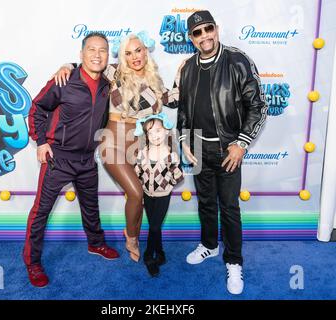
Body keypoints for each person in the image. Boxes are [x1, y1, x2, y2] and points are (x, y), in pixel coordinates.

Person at [54, 32, 179, 262]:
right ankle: (131, 237)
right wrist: (66, 65)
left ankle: (132, 233)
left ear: (146, 51)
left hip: (141, 144)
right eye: (128, 53)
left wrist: (183, 76)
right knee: (136, 192)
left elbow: (171, 99)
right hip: (112, 140)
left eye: (138, 50)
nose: (134, 57)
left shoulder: (155, 79)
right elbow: (88, 65)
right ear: (123, 56)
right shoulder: (114, 72)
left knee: (138, 198)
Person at [177, 10, 268, 294]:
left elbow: (259, 106)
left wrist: (241, 143)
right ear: (191, 38)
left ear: (216, 29)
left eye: (207, 29)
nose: (204, 36)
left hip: (228, 148)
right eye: (197, 32)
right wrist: (184, 140)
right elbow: (183, 110)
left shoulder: (237, 60)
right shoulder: (188, 68)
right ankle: (208, 245)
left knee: (229, 207)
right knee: (206, 202)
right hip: (198, 149)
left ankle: (234, 262)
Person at [23, 32, 119, 288]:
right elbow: (37, 109)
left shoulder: (110, 81)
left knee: (91, 207)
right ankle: (33, 263)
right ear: (81, 54)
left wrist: (72, 63)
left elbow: (133, 68)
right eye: (92, 50)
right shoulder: (63, 80)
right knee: (40, 212)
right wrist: (41, 141)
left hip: (87, 159)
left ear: (108, 56)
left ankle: (96, 244)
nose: (97, 55)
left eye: (103, 50)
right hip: (59, 158)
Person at [134, 113, 184, 277]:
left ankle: (149, 255)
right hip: (147, 195)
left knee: (154, 226)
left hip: (163, 196)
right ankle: (161, 253)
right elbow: (138, 173)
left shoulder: (171, 156)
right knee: (155, 225)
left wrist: (164, 185)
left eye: (158, 130)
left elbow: (178, 177)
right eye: (150, 132)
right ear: (146, 135)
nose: (155, 135)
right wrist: (143, 189)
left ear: (166, 131)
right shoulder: (142, 154)